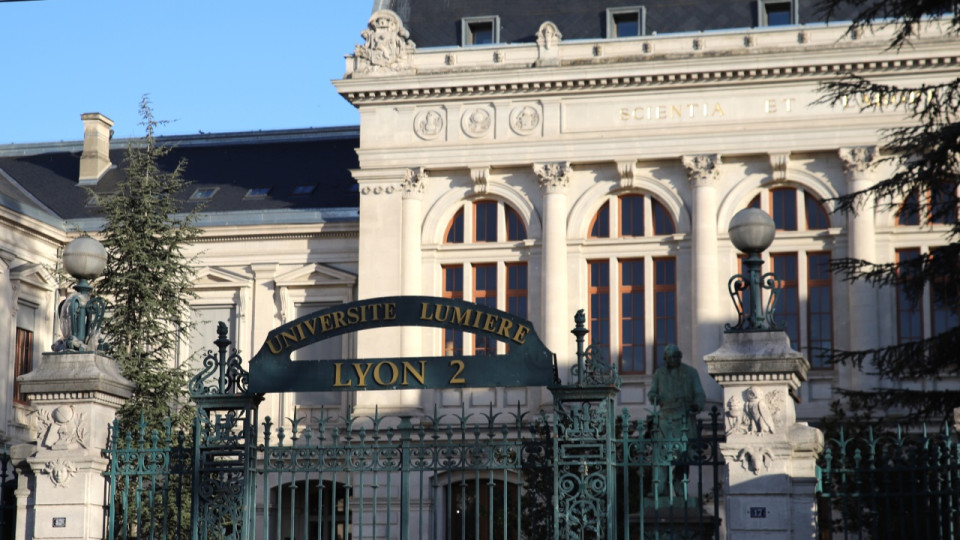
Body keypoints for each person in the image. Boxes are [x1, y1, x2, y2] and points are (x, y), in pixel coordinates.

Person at [647, 344, 706, 500]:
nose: (673, 359)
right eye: (670, 357)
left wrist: (697, 405)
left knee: (683, 457)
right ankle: (660, 488)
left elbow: (699, 394)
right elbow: (652, 393)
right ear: (665, 358)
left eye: (676, 356)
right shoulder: (659, 373)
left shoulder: (691, 372)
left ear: (680, 356)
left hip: (684, 418)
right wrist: (655, 397)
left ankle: (680, 487)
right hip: (665, 419)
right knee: (661, 455)